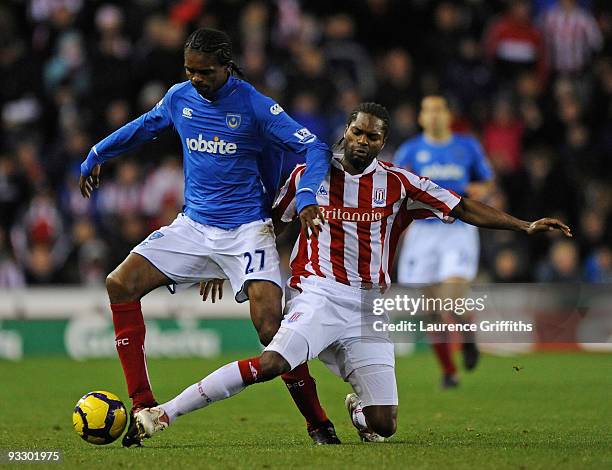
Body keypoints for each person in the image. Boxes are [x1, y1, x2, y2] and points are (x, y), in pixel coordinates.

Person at [132, 102, 571, 443]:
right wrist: (225, 263)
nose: (363, 141)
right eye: (358, 132)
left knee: (384, 424)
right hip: (317, 294)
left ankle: (358, 410)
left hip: (367, 307)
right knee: (272, 363)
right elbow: (268, 223)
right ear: (347, 130)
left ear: (383, 142)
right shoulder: (309, 174)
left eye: (374, 137)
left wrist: (523, 224)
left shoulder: (399, 184)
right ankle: (164, 412)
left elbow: (463, 205)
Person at [79, 28, 337, 447]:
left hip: (246, 231)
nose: (196, 78)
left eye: (205, 72)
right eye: (190, 70)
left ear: (226, 66)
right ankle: (143, 404)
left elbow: (316, 149)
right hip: (193, 227)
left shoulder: (255, 105)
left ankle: (318, 422)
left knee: (271, 328)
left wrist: (306, 195)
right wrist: (97, 154)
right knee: (119, 283)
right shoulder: (180, 97)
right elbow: (145, 127)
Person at [394, 95, 495, 388]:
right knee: (431, 308)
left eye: (439, 109)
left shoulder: (467, 146)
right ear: (421, 118)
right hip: (424, 231)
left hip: (459, 228)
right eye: (428, 110)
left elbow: (487, 182)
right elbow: (396, 184)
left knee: (452, 296)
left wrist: (477, 190)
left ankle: (468, 337)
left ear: (448, 115)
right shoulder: (410, 150)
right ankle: (449, 372)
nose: (434, 115)